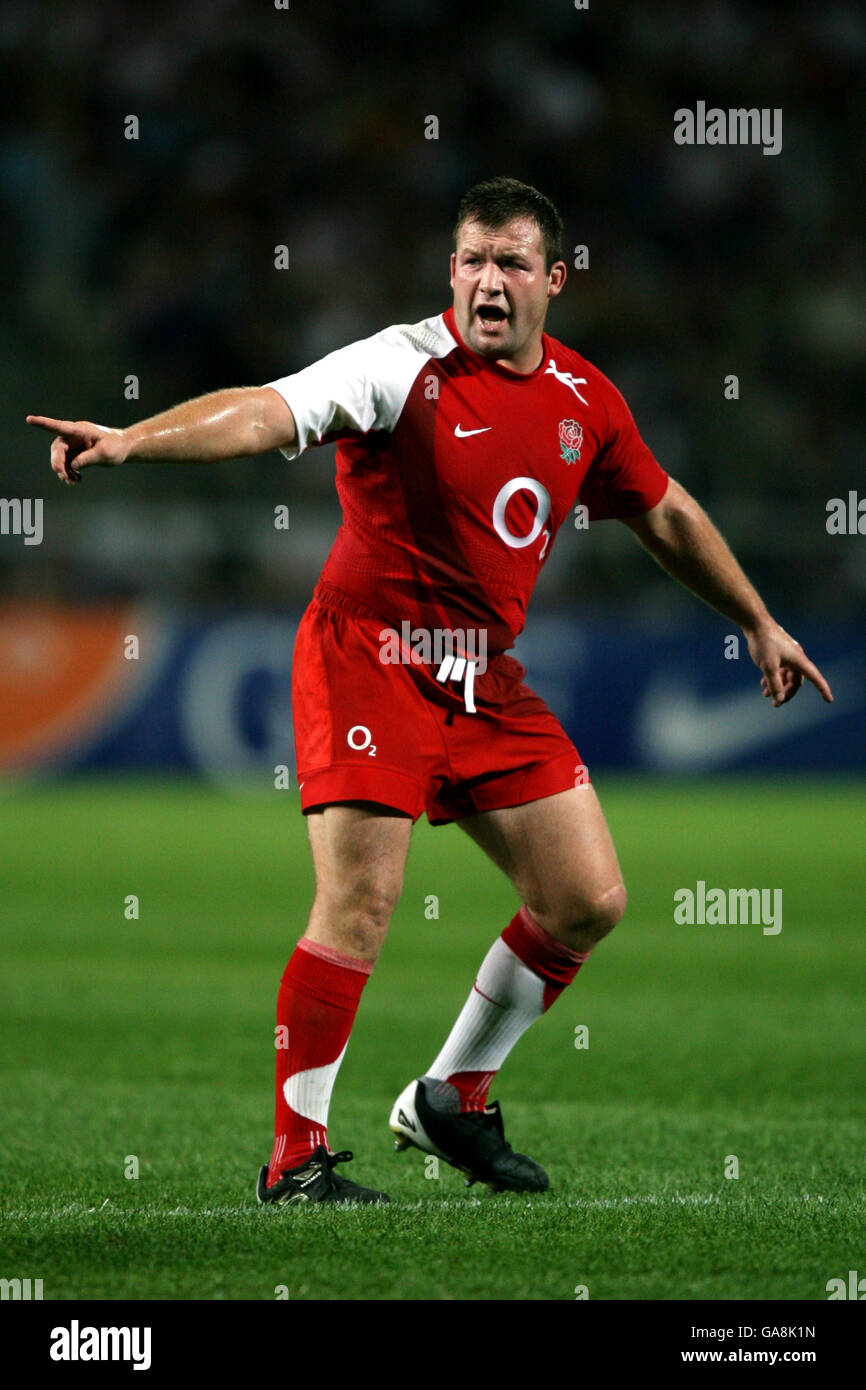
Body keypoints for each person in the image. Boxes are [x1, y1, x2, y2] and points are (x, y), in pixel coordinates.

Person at [27, 176, 833, 1206]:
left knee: (585, 899)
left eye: (507, 262)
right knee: (360, 902)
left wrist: (755, 620)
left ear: (554, 278)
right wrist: (138, 438)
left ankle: (450, 1094)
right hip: (367, 655)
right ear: (448, 269)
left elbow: (662, 510)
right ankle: (295, 1156)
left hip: (482, 677)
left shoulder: (585, 401)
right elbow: (273, 411)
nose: (484, 281)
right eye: (467, 259)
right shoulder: (398, 365)